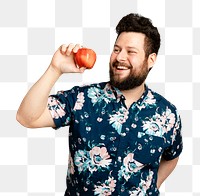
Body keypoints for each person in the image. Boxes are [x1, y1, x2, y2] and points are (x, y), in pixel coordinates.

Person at [17, 13, 183, 196]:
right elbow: (27, 118)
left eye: (131, 51)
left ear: (150, 59)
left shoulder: (167, 113)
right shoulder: (82, 99)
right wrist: (55, 69)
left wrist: (150, 187)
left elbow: (172, 156)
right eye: (117, 49)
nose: (120, 57)